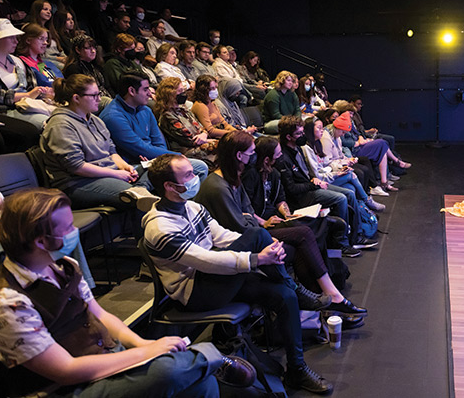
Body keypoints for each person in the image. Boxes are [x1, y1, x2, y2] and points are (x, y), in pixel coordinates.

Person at [0, 187, 256, 397]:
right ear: (43, 241)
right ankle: (210, 355)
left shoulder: (63, 265)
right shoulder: (5, 304)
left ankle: (198, 362)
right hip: (63, 389)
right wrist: (151, 352)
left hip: (102, 359)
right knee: (169, 370)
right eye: (67, 228)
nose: (74, 232)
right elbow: (66, 371)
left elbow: (100, 315)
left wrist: (142, 345)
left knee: (199, 384)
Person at [143, 154, 334, 394]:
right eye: (189, 175)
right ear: (169, 186)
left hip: (215, 278)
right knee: (257, 236)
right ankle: (295, 287)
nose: (196, 178)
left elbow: (222, 237)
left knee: (283, 294)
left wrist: (262, 248)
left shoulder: (192, 207)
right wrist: (256, 258)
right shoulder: (159, 227)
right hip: (194, 293)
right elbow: (205, 261)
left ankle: (297, 369)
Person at [196, 130, 367, 316]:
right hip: (242, 240)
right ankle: (329, 297)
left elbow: (249, 211)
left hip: (256, 229)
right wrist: (261, 224)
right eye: (251, 152)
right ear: (239, 155)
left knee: (312, 232)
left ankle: (321, 303)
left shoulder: (237, 177)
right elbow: (240, 226)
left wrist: (279, 217)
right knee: (303, 235)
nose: (254, 156)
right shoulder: (220, 186)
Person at [40, 74, 154, 210]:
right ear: (76, 98)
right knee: (136, 198)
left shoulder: (95, 120)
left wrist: (125, 167)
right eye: (94, 95)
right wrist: (116, 174)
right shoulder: (60, 125)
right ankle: (139, 194)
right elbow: (76, 167)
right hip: (78, 183)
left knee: (160, 168)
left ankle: (140, 189)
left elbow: (111, 152)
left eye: (98, 94)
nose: (99, 99)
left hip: (108, 172)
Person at [276, 116, 377, 256]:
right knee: (341, 198)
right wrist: (312, 183)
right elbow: (291, 189)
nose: (303, 135)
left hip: (311, 186)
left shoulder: (297, 148)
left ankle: (356, 235)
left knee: (350, 193)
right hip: (301, 196)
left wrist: (313, 180)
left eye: (302, 132)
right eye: (299, 133)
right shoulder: (283, 157)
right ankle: (340, 244)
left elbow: (306, 174)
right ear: (288, 137)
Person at [99, 72, 209, 181]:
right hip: (133, 165)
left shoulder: (145, 109)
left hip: (153, 159)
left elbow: (159, 141)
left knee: (200, 167)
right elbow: (138, 148)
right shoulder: (113, 116)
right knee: (196, 167)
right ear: (132, 91)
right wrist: (176, 155)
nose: (150, 94)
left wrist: (160, 159)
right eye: (146, 89)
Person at [0, 19, 52, 128]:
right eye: (11, 37)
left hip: (31, 105)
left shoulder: (17, 60)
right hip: (7, 109)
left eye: (16, 37)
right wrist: (27, 95)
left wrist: (41, 92)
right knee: (50, 124)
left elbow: (32, 85)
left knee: (62, 118)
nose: (16, 41)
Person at [303, 117, 385, 212]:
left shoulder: (318, 144)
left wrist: (343, 165)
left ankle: (362, 211)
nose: (322, 131)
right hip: (321, 182)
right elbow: (318, 174)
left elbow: (328, 163)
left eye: (322, 128)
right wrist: (337, 173)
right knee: (352, 174)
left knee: (351, 188)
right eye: (319, 128)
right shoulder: (308, 148)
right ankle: (367, 201)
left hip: (329, 174)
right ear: (310, 129)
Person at [334, 111, 407, 192]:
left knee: (383, 145)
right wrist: (358, 142)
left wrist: (362, 139)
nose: (352, 115)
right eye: (350, 113)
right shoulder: (340, 126)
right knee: (382, 144)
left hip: (360, 144)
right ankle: (395, 163)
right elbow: (344, 142)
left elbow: (358, 133)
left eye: (352, 113)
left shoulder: (350, 122)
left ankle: (384, 181)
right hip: (355, 150)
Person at [154, 77, 218, 169]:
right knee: (226, 146)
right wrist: (208, 138)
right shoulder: (166, 115)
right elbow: (190, 140)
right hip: (187, 152)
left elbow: (201, 127)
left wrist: (204, 134)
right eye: (180, 91)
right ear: (170, 94)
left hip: (201, 144)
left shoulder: (183, 110)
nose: (184, 94)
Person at [62, 33, 113, 105]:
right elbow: (80, 92)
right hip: (90, 103)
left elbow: (108, 87)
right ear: (77, 50)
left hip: (105, 99)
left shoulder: (97, 66)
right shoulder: (73, 68)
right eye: (88, 48)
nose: (93, 51)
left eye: (94, 47)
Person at [15, 23, 63, 87]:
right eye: (41, 39)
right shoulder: (22, 63)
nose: (45, 43)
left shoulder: (43, 63)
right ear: (28, 40)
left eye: (46, 39)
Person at [24, 0, 66, 67]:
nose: (49, 12)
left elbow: (60, 50)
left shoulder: (51, 30)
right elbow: (38, 55)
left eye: (50, 10)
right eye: (45, 9)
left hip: (57, 59)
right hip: (42, 60)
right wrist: (58, 58)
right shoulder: (29, 28)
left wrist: (66, 58)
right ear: (37, 10)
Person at [262, 70, 301, 135]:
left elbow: (297, 110)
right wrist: (291, 121)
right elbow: (275, 115)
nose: (291, 83)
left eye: (291, 81)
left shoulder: (292, 94)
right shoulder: (273, 95)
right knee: (287, 125)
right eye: (288, 80)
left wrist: (298, 119)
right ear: (281, 81)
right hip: (273, 122)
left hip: (289, 120)